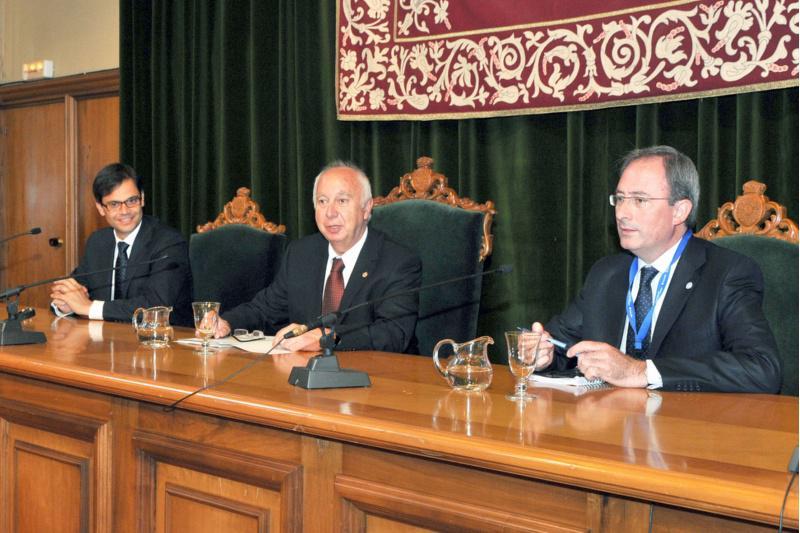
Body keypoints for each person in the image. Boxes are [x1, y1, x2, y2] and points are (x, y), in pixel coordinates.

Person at [529, 146, 781, 393]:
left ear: (680, 211)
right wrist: (544, 353)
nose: (622, 214)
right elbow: (564, 347)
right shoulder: (606, 273)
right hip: (609, 426)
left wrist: (640, 372)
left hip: (686, 428)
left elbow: (761, 368)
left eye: (640, 200)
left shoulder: (727, 273)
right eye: (620, 199)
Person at [214, 161, 421, 353]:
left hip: (375, 381)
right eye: (322, 201)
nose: (330, 212)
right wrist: (227, 322)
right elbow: (265, 309)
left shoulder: (397, 262)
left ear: (366, 209)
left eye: (342, 200)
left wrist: (328, 337)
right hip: (304, 377)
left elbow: (393, 333)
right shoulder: (301, 254)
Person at [50, 163, 193, 326]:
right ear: (100, 208)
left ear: (143, 199)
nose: (124, 211)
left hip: (163, 343)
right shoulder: (98, 243)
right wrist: (65, 304)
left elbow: (155, 307)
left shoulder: (168, 242)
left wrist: (90, 307)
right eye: (114, 204)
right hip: (106, 342)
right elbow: (76, 288)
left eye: (131, 201)